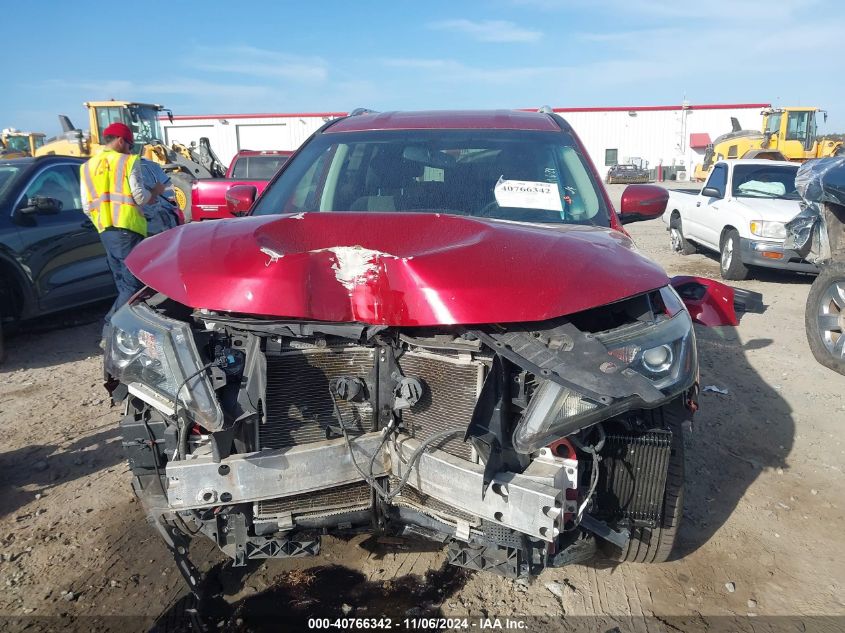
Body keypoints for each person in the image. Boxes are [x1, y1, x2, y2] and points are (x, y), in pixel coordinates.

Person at [79, 122, 165, 342]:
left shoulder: (87, 166)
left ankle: (128, 331)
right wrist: (155, 191)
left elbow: (87, 206)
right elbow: (139, 196)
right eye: (130, 145)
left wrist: (102, 220)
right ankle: (111, 328)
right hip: (128, 229)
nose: (130, 149)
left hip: (105, 231)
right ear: (120, 141)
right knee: (134, 283)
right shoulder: (127, 162)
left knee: (122, 281)